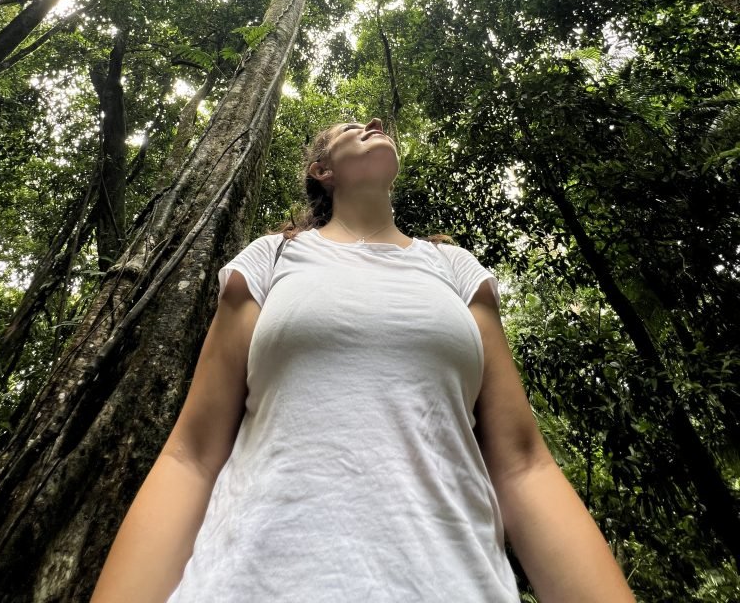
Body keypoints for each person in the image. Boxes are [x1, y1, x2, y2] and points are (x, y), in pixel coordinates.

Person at [91, 117, 637, 603]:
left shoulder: (454, 267)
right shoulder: (269, 258)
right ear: (322, 170)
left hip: (451, 581)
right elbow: (191, 456)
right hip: (247, 580)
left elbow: (524, 464)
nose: (374, 121)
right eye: (351, 126)